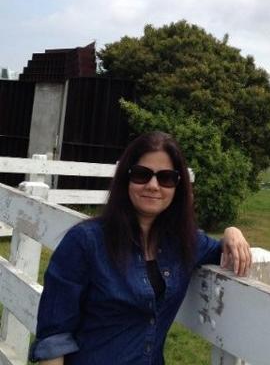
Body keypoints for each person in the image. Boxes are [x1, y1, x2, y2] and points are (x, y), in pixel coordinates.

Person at [30, 131, 252, 364]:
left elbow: (221, 251)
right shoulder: (85, 242)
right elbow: (54, 337)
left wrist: (232, 231)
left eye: (166, 178)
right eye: (141, 175)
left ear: (177, 187)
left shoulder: (182, 242)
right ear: (126, 179)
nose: (153, 185)